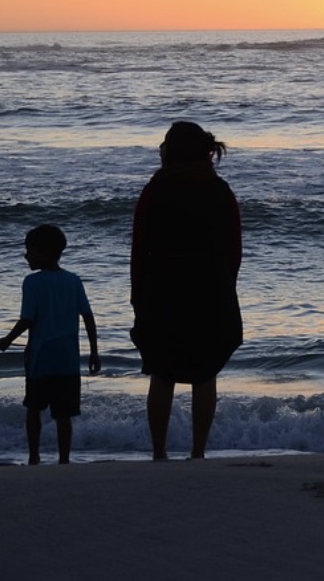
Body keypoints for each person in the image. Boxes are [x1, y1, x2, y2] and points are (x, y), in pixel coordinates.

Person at [130, 121, 243, 460]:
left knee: (162, 373)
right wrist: (226, 286)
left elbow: (140, 247)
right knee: (205, 373)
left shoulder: (157, 189)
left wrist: (138, 294)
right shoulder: (218, 190)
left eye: (164, 143)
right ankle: (198, 451)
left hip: (163, 291)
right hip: (209, 291)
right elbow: (233, 247)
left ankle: (159, 452)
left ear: (173, 150)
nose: (160, 149)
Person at [0, 224, 101, 465]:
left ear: (42, 253)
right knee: (64, 415)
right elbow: (88, 317)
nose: (26, 256)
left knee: (34, 408)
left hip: (40, 358)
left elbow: (27, 319)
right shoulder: (73, 280)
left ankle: (34, 456)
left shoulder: (32, 282)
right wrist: (94, 352)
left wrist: (7, 340)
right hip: (68, 359)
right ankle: (64, 459)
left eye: (29, 251)